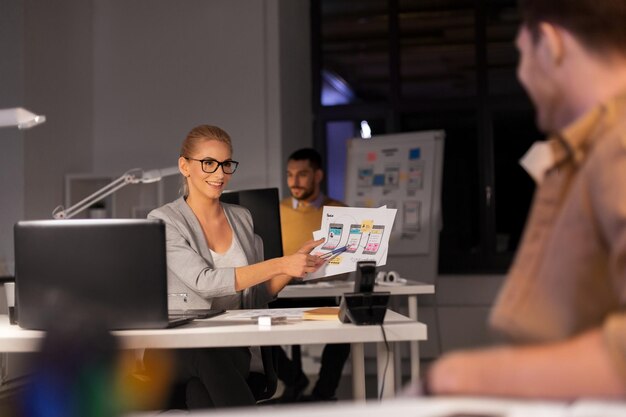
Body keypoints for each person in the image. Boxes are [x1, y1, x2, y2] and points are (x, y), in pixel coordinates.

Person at [419, 0, 626, 399]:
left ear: (550, 43)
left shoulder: (617, 144)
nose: (521, 74)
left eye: (521, 55)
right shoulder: (587, 148)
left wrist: (455, 376)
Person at [147, 125, 325, 409]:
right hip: (178, 347)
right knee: (205, 354)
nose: (219, 174)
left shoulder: (242, 217)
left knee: (200, 396)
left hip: (233, 344)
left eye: (226, 164)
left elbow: (256, 295)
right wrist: (279, 263)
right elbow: (205, 282)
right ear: (185, 166)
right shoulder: (165, 220)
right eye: (208, 163)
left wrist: (291, 268)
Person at [275, 148, 350, 402]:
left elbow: (347, 261)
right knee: (253, 327)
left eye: (302, 174)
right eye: (290, 174)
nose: (294, 181)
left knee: (346, 328)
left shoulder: (339, 211)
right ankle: (294, 379)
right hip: (282, 291)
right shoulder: (275, 210)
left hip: (323, 293)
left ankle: (324, 393)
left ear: (318, 175)